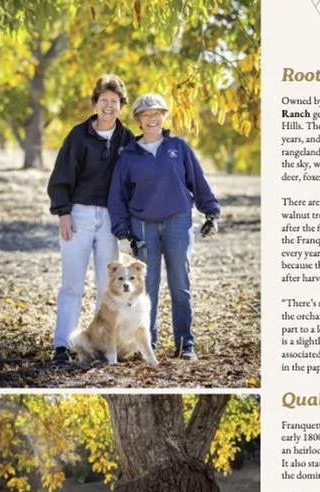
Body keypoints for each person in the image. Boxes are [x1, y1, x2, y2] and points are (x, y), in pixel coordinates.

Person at [108, 92, 220, 361]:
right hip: (142, 226)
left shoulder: (178, 147)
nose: (152, 119)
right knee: (147, 287)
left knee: (180, 283)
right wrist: (122, 232)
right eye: (146, 115)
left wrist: (211, 213)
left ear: (163, 117)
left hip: (178, 221)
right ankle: (148, 345)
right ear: (138, 120)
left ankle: (185, 344)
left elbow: (198, 181)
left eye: (157, 114)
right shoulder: (128, 155)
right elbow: (117, 196)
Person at [46, 74, 136, 365]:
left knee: (107, 285)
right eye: (104, 100)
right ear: (95, 104)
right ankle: (63, 345)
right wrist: (63, 212)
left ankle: (100, 344)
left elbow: (134, 180)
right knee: (71, 284)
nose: (109, 106)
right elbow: (61, 175)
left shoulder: (126, 139)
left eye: (114, 101)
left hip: (110, 219)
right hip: (78, 216)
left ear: (121, 106)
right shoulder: (78, 135)